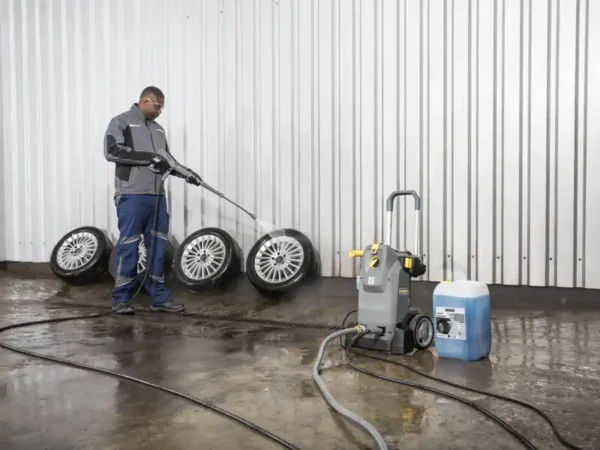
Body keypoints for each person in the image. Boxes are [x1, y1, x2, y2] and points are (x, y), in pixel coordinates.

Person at [104, 86, 202, 314]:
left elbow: (166, 160)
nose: (160, 111)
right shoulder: (121, 122)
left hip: (157, 196)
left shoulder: (159, 130)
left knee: (158, 245)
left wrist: (188, 174)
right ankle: (121, 299)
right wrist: (148, 158)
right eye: (158, 106)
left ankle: (158, 297)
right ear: (145, 100)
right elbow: (112, 151)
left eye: (162, 107)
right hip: (132, 194)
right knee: (129, 245)